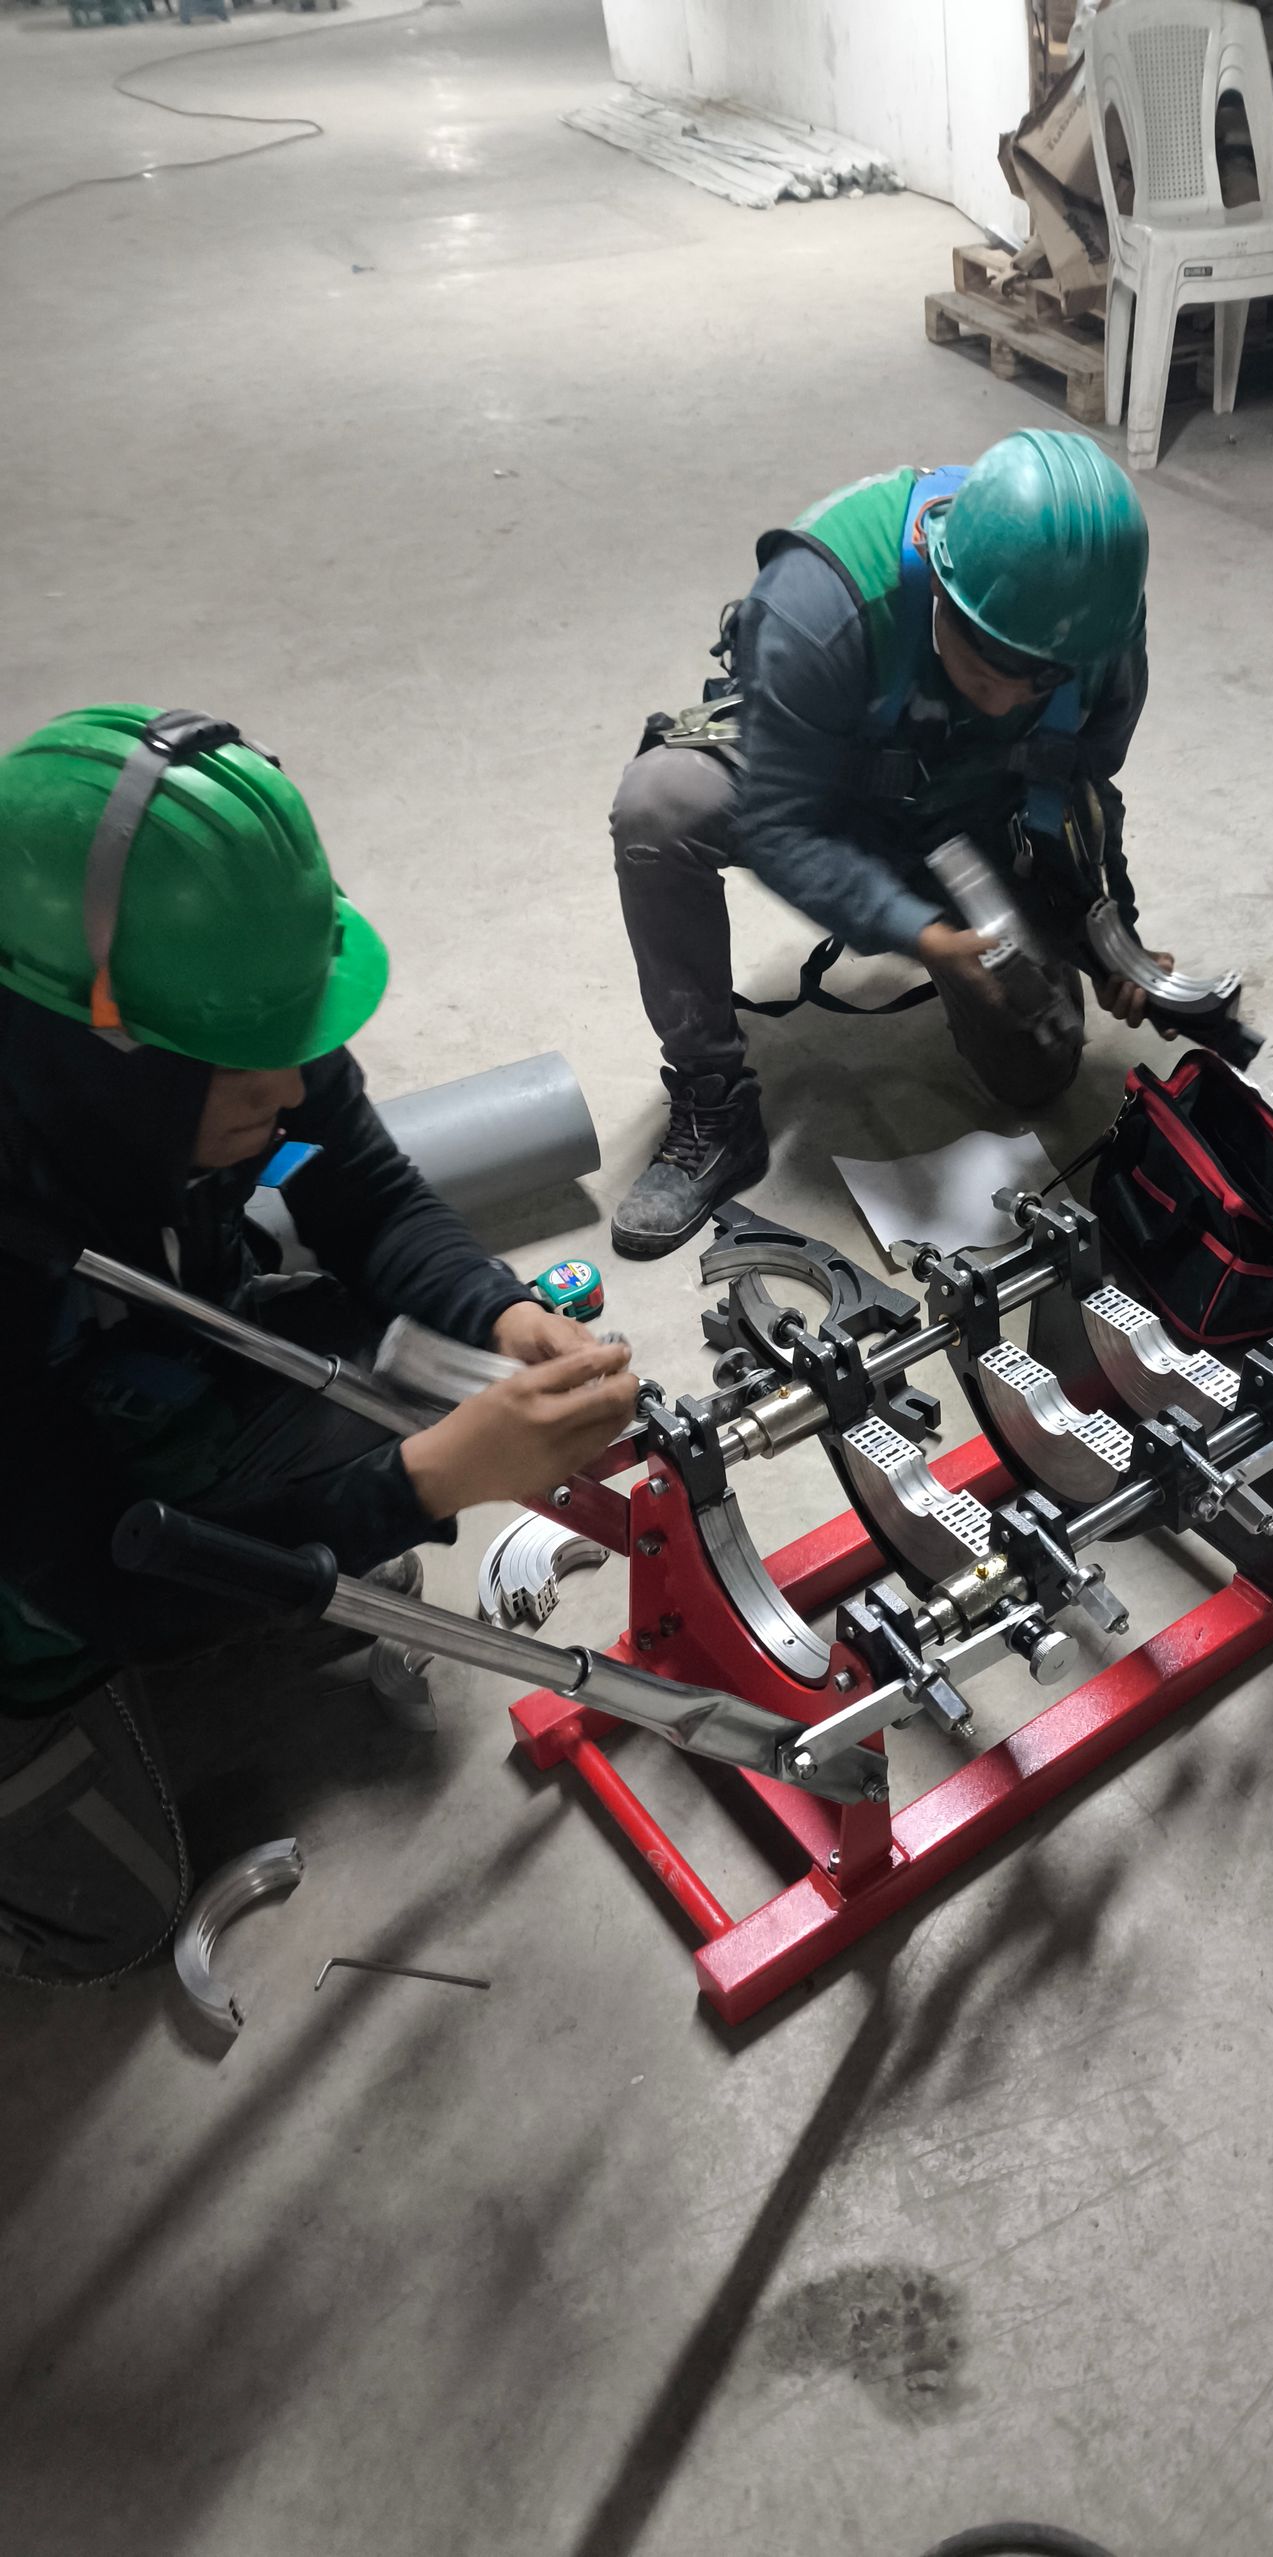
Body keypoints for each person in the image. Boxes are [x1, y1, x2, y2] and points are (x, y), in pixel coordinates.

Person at [0, 706, 636, 1985]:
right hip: (30, 1556)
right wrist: (424, 1486)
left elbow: (362, 1192)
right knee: (109, 1922)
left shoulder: (225, 1040)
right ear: (95, 1050)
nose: (291, 1089)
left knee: (399, 1366)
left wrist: (494, 1315)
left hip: (124, 1359)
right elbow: (91, 1575)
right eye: (250, 1068)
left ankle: (255, 1526)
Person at [608, 429, 1165, 1259]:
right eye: (988, 671)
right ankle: (712, 1099)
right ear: (942, 587)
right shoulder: (817, 605)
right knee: (662, 805)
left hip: (959, 821)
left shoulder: (1098, 629)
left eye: (1040, 679)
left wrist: (1108, 931)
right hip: (818, 786)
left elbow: (1080, 790)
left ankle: (961, 942)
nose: (1012, 696)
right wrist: (920, 932)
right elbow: (779, 822)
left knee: (1040, 1076)